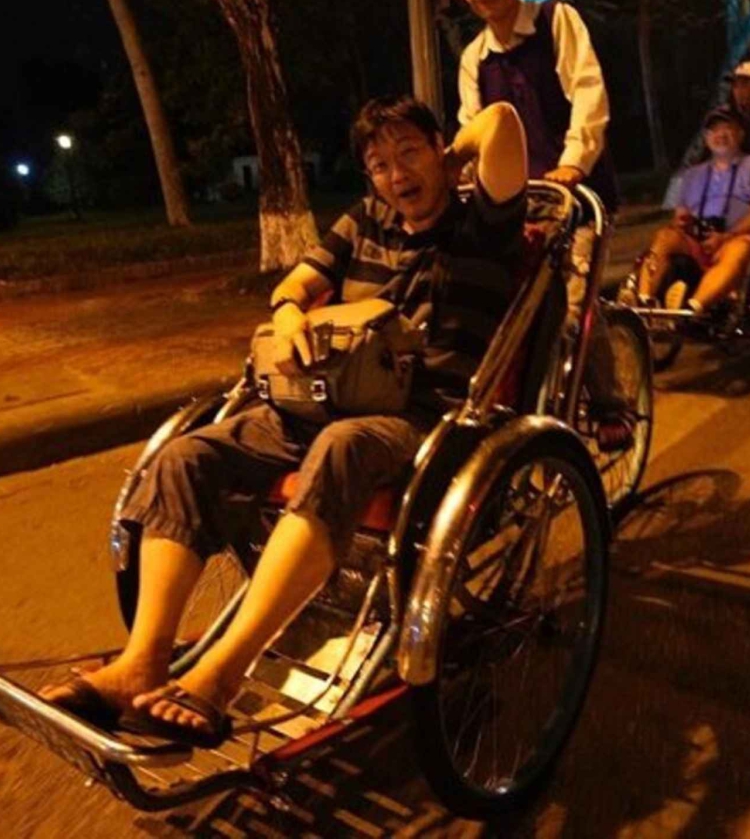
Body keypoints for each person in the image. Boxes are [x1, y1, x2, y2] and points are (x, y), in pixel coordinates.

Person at [39, 97, 528, 748]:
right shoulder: (364, 221)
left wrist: (450, 155)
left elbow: (500, 121)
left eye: (410, 153)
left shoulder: (486, 224)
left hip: (423, 418)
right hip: (321, 399)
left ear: (443, 150)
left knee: (340, 446)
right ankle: (141, 663)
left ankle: (222, 675)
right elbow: (297, 281)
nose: (396, 175)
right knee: (186, 456)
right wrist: (292, 312)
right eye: (379, 163)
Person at [453, 0, 620, 412]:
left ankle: (609, 404)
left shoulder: (555, 21)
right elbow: (473, 128)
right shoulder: (474, 59)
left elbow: (588, 90)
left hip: (575, 195)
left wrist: (572, 164)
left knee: (571, 309)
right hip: (516, 204)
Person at [633, 108, 750, 315]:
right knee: (665, 237)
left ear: (740, 134)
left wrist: (726, 236)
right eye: (714, 130)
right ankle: (644, 303)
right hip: (699, 241)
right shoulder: (691, 175)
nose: (720, 135)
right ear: (706, 137)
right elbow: (679, 216)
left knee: (739, 248)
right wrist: (685, 223)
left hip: (740, 238)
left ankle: (694, 307)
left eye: (727, 128)